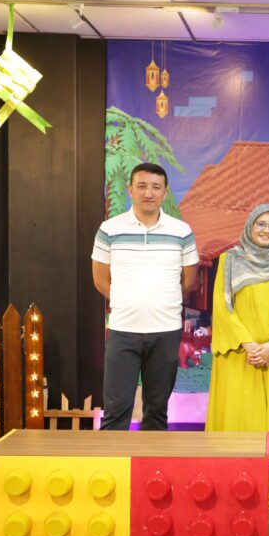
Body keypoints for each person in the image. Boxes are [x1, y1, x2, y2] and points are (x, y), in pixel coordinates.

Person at [205, 204, 269, 508]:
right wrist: (248, 344)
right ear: (249, 226)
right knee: (239, 420)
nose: (266, 230)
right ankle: (233, 487)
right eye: (261, 224)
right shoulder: (230, 260)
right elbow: (223, 306)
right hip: (239, 356)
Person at [92, 162, 197, 431]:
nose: (148, 193)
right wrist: (127, 301)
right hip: (123, 331)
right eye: (141, 186)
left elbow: (188, 281)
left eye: (155, 187)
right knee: (115, 412)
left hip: (166, 332)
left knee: (157, 412)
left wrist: (162, 300)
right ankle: (113, 461)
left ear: (164, 192)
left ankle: (153, 461)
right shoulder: (109, 229)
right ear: (130, 190)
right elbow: (100, 280)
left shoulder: (181, 231)